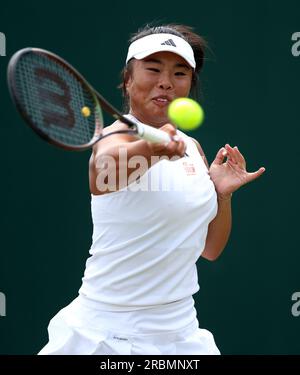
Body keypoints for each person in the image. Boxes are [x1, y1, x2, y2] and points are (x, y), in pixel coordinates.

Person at [39, 23, 265, 355]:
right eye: (154, 69)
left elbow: (210, 249)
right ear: (128, 80)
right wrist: (153, 149)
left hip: (180, 334)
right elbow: (102, 175)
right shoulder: (116, 136)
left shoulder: (192, 147)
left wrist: (222, 194)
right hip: (109, 335)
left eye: (179, 73)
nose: (166, 81)